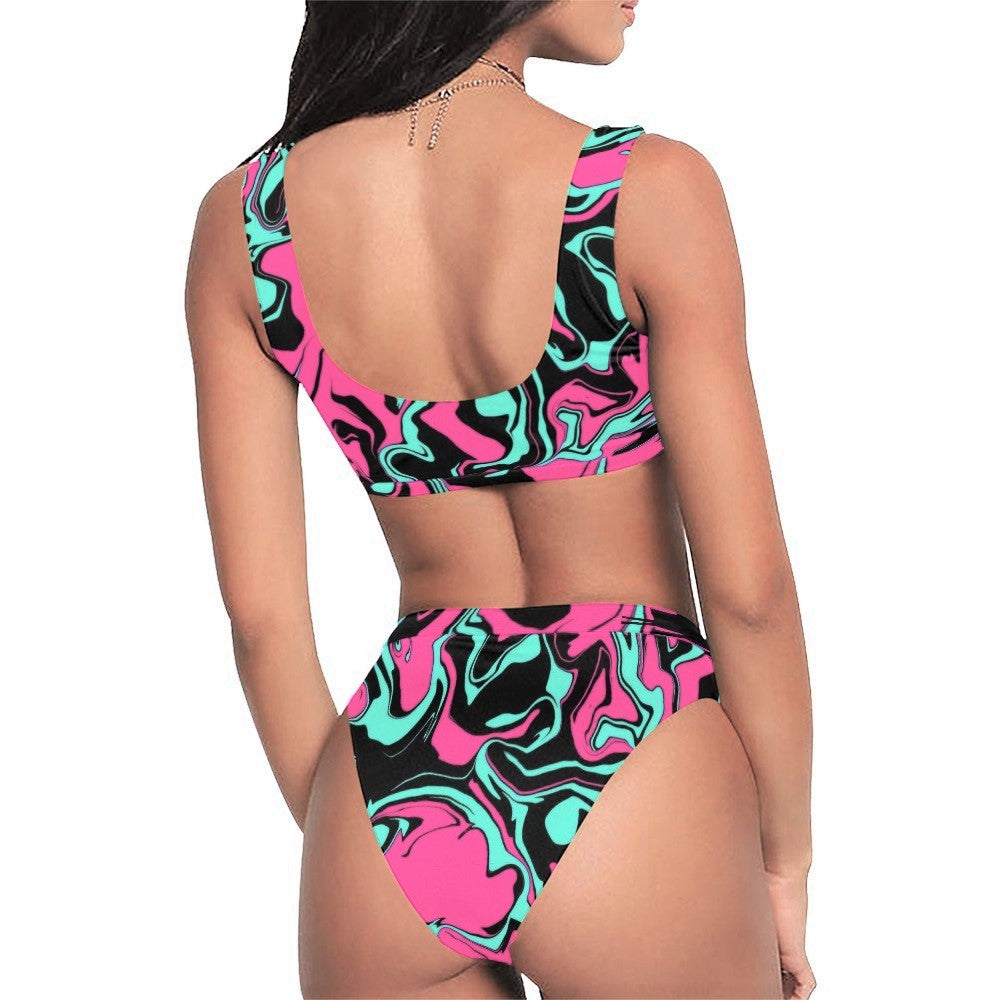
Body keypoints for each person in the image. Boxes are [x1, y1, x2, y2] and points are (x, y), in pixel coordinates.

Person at [185, 2, 815, 997]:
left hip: (400, 758)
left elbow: (261, 621)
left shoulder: (246, 222)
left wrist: (360, 849)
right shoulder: (642, 190)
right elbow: (750, 594)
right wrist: (783, 862)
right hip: (634, 733)